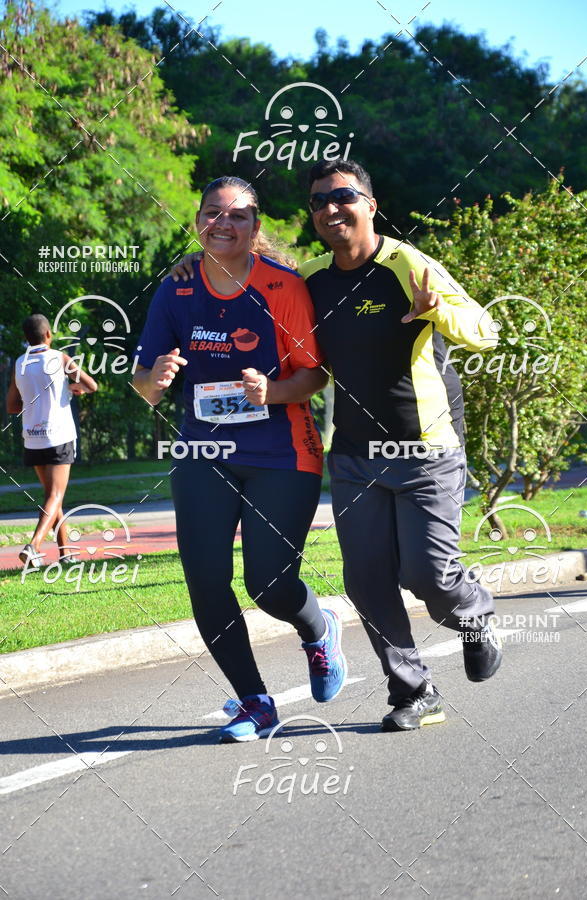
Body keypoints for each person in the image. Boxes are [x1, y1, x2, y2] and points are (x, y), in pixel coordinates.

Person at [172, 160, 502, 733]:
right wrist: (198, 264)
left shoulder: (408, 265)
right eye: (319, 201)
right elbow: (279, 317)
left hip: (425, 451)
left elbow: (485, 330)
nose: (331, 209)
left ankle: (473, 618)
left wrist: (440, 310)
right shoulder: (314, 277)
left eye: (343, 197)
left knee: (430, 576)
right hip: (353, 455)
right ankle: (414, 690)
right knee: (366, 580)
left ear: (370, 204)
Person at [133, 175, 347, 743]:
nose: (222, 223)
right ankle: (255, 702)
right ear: (198, 220)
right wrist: (153, 379)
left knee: (270, 584)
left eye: (237, 215)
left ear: (256, 226)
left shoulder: (284, 288)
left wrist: (270, 393)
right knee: (205, 579)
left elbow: (313, 374)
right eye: (212, 213)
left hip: (281, 451)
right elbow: (144, 384)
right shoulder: (175, 288)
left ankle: (319, 628)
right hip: (203, 451)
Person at [6, 314, 98, 568]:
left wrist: (34, 397)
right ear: (49, 335)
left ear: (26, 338)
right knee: (56, 495)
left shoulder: (20, 363)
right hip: (59, 436)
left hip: (32, 438)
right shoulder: (59, 358)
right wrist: (70, 388)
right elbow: (92, 385)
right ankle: (33, 546)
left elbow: (12, 406)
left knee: (51, 497)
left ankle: (66, 553)